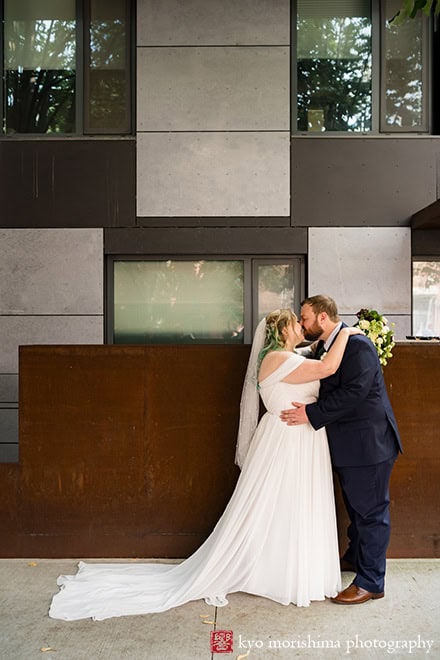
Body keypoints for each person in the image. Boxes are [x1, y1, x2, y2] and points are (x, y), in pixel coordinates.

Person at [49, 309, 361, 621]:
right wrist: (347, 332)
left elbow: (313, 357)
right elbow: (326, 366)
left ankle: (288, 570)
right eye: (295, 321)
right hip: (289, 441)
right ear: (282, 331)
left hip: (298, 438)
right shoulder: (278, 360)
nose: (300, 325)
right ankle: (280, 574)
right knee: (285, 505)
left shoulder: (287, 356)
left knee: (291, 506)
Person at [280, 295, 403, 605]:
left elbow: (355, 393)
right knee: (357, 509)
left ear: (323, 317)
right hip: (351, 446)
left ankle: (371, 581)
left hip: (369, 445)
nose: (302, 323)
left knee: (371, 514)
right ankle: (354, 558)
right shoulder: (327, 345)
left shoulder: (358, 345)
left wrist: (311, 413)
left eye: (305, 317)